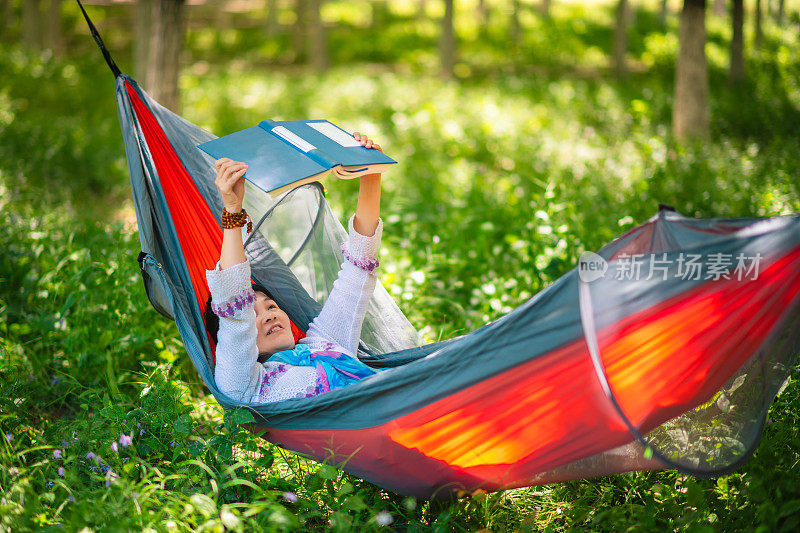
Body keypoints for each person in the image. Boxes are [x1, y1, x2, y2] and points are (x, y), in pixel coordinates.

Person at [204, 133, 386, 405]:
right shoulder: (244, 386)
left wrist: (370, 171)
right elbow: (233, 306)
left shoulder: (325, 343)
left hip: (403, 406)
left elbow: (359, 265)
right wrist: (233, 210)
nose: (268, 316)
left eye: (271, 306)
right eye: (251, 314)